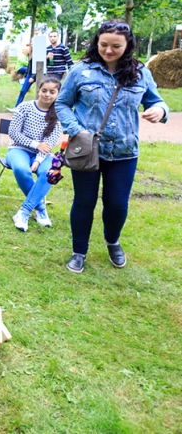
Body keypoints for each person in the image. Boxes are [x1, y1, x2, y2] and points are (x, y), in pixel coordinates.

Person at [55, 20, 169, 274]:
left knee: (117, 203)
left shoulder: (141, 73)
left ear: (128, 45)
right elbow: (62, 103)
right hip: (87, 150)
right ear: (97, 42)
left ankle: (112, 241)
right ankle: (79, 251)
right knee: (84, 202)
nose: (108, 50)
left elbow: (157, 101)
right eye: (103, 44)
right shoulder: (81, 70)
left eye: (115, 46)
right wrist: (77, 130)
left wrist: (159, 110)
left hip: (125, 152)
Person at [7, 76, 63, 231]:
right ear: (38, 90)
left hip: (42, 155)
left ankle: (24, 211)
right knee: (21, 170)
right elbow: (13, 133)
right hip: (18, 149)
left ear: (58, 94)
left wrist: (38, 161)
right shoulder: (24, 107)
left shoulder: (58, 115)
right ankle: (40, 208)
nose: (47, 94)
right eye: (44, 90)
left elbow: (48, 144)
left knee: (49, 172)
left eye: (52, 92)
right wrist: (35, 144)